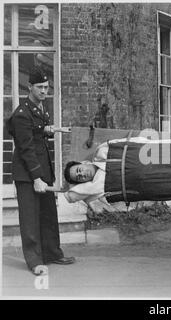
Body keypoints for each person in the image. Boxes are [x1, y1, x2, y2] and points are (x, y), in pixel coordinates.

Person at [6, 67, 75, 276]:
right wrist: (36, 177)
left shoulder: (39, 108)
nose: (45, 91)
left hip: (42, 169)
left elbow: (35, 131)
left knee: (48, 214)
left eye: (46, 87)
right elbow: (26, 148)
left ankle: (52, 253)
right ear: (30, 87)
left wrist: (47, 129)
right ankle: (35, 261)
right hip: (28, 173)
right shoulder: (21, 113)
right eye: (40, 87)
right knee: (30, 218)